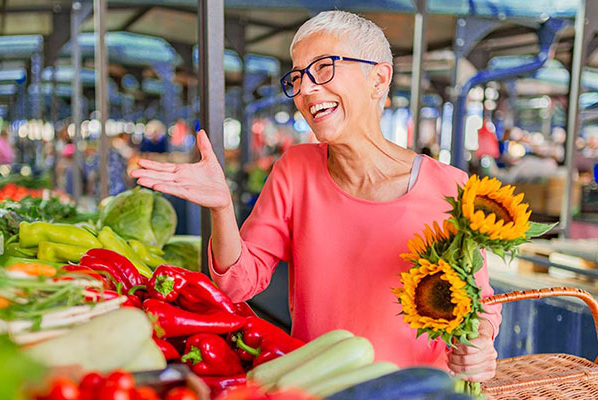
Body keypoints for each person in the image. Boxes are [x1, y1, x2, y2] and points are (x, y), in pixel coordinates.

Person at [131, 11, 501, 382]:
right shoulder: (295, 170)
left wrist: (479, 346)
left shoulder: (450, 189)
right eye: (297, 77)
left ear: (378, 78)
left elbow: (480, 305)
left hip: (418, 390)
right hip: (314, 387)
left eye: (323, 68)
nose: (306, 90)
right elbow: (237, 283)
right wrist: (222, 206)